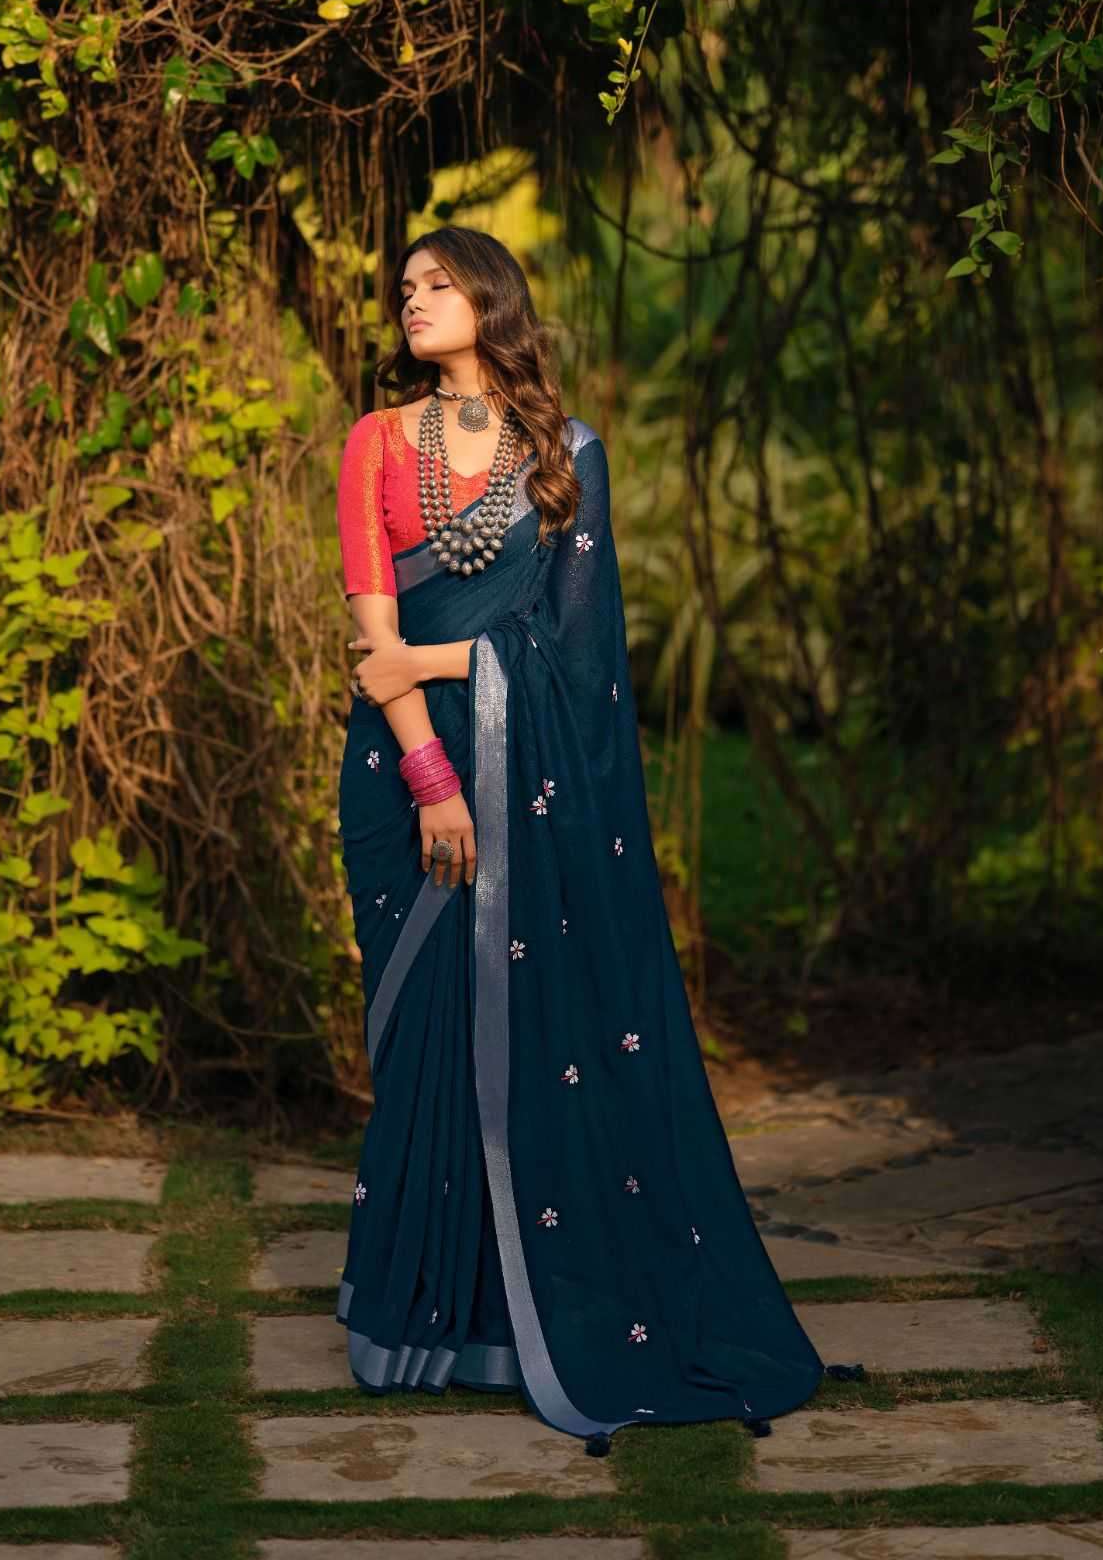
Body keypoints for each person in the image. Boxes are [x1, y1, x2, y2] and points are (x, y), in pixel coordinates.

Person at [333, 224, 862, 1455]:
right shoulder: (377, 442)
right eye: (404, 287)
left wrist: (438, 662)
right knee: (424, 1034)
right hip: (406, 773)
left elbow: (573, 658)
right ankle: (425, 1317)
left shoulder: (567, 456)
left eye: (438, 283)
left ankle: (531, 1315)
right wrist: (431, 775)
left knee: (532, 1031)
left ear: (492, 297)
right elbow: (370, 637)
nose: (413, 300)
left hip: (530, 782)